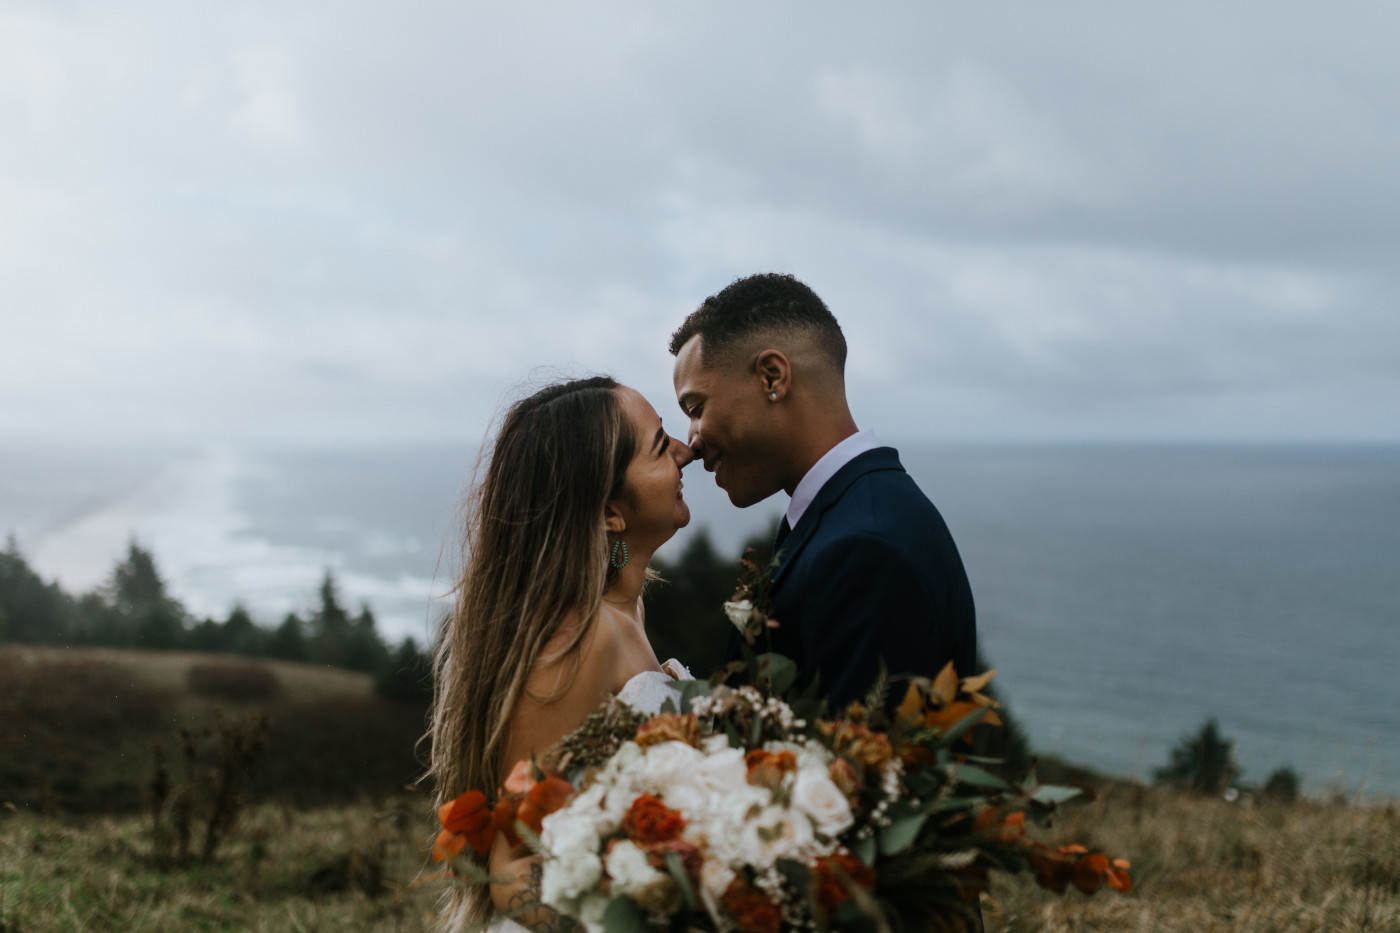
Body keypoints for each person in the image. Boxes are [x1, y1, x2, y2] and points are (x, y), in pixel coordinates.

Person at [429, 376, 694, 933]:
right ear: (608, 514)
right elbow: (516, 866)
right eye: (660, 443)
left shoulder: (627, 612)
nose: (685, 451)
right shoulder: (577, 640)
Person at [670, 273, 978, 710]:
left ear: (772, 377)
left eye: (696, 408)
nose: (693, 441)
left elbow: (862, 769)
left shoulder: (865, 549)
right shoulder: (852, 514)